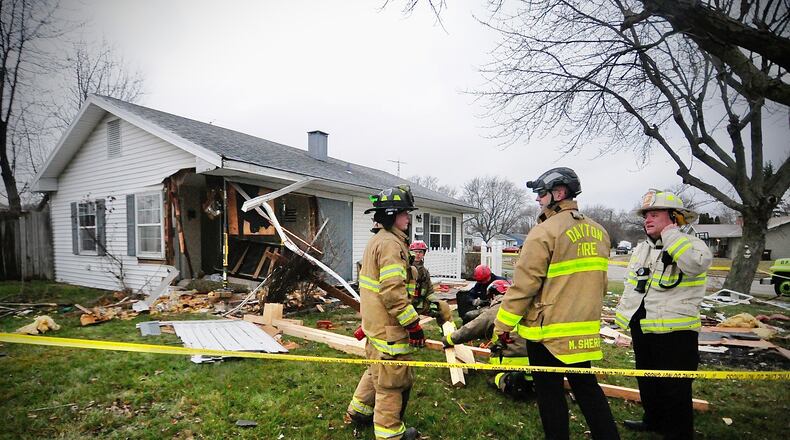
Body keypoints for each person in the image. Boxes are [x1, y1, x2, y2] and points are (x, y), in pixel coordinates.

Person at [493, 167, 620, 440]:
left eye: (541, 193)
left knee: (549, 394)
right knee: (587, 389)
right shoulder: (599, 232)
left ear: (559, 193)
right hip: (583, 331)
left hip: (547, 334)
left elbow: (524, 287)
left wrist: (502, 326)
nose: (537, 199)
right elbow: (601, 284)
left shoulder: (544, 232)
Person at [615, 190, 712, 439]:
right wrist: (626, 316)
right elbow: (632, 284)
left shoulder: (693, 245)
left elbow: (692, 265)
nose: (647, 220)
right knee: (647, 379)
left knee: (674, 386)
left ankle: (677, 432)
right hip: (644, 325)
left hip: (675, 331)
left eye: (654, 215)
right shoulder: (643, 248)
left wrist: (671, 234)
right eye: (646, 216)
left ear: (675, 217)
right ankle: (653, 420)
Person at [345, 185, 424, 440]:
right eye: (404, 213)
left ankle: (359, 411)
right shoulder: (391, 244)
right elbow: (392, 292)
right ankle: (390, 434)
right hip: (389, 328)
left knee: (376, 369)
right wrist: (412, 324)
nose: (408, 218)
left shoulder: (378, 240)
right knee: (392, 381)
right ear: (392, 215)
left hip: (375, 325)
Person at [443, 279, 534, 399]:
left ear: (493, 295)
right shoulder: (528, 306)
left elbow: (471, 329)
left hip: (510, 359)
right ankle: (532, 380)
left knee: (492, 377)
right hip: (536, 358)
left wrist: (448, 340)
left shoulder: (497, 310)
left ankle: (508, 380)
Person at [408, 240, 453, 327]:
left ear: (423, 254)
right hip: (408, 304)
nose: (417, 254)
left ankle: (449, 332)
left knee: (443, 307)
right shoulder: (406, 268)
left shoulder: (425, 272)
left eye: (420, 252)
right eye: (415, 252)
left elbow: (429, 291)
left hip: (420, 304)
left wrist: (435, 302)